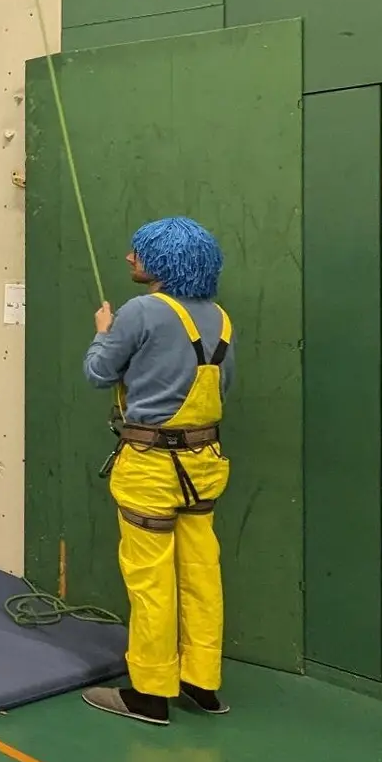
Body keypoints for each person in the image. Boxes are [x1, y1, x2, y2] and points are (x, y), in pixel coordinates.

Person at [81, 217, 236, 727]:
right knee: (201, 572)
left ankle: (150, 691)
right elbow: (223, 386)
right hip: (203, 464)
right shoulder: (220, 318)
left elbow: (98, 373)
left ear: (165, 261)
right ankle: (201, 680)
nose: (130, 257)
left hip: (151, 467)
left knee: (150, 579)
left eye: (140, 252)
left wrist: (103, 333)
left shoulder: (141, 311)